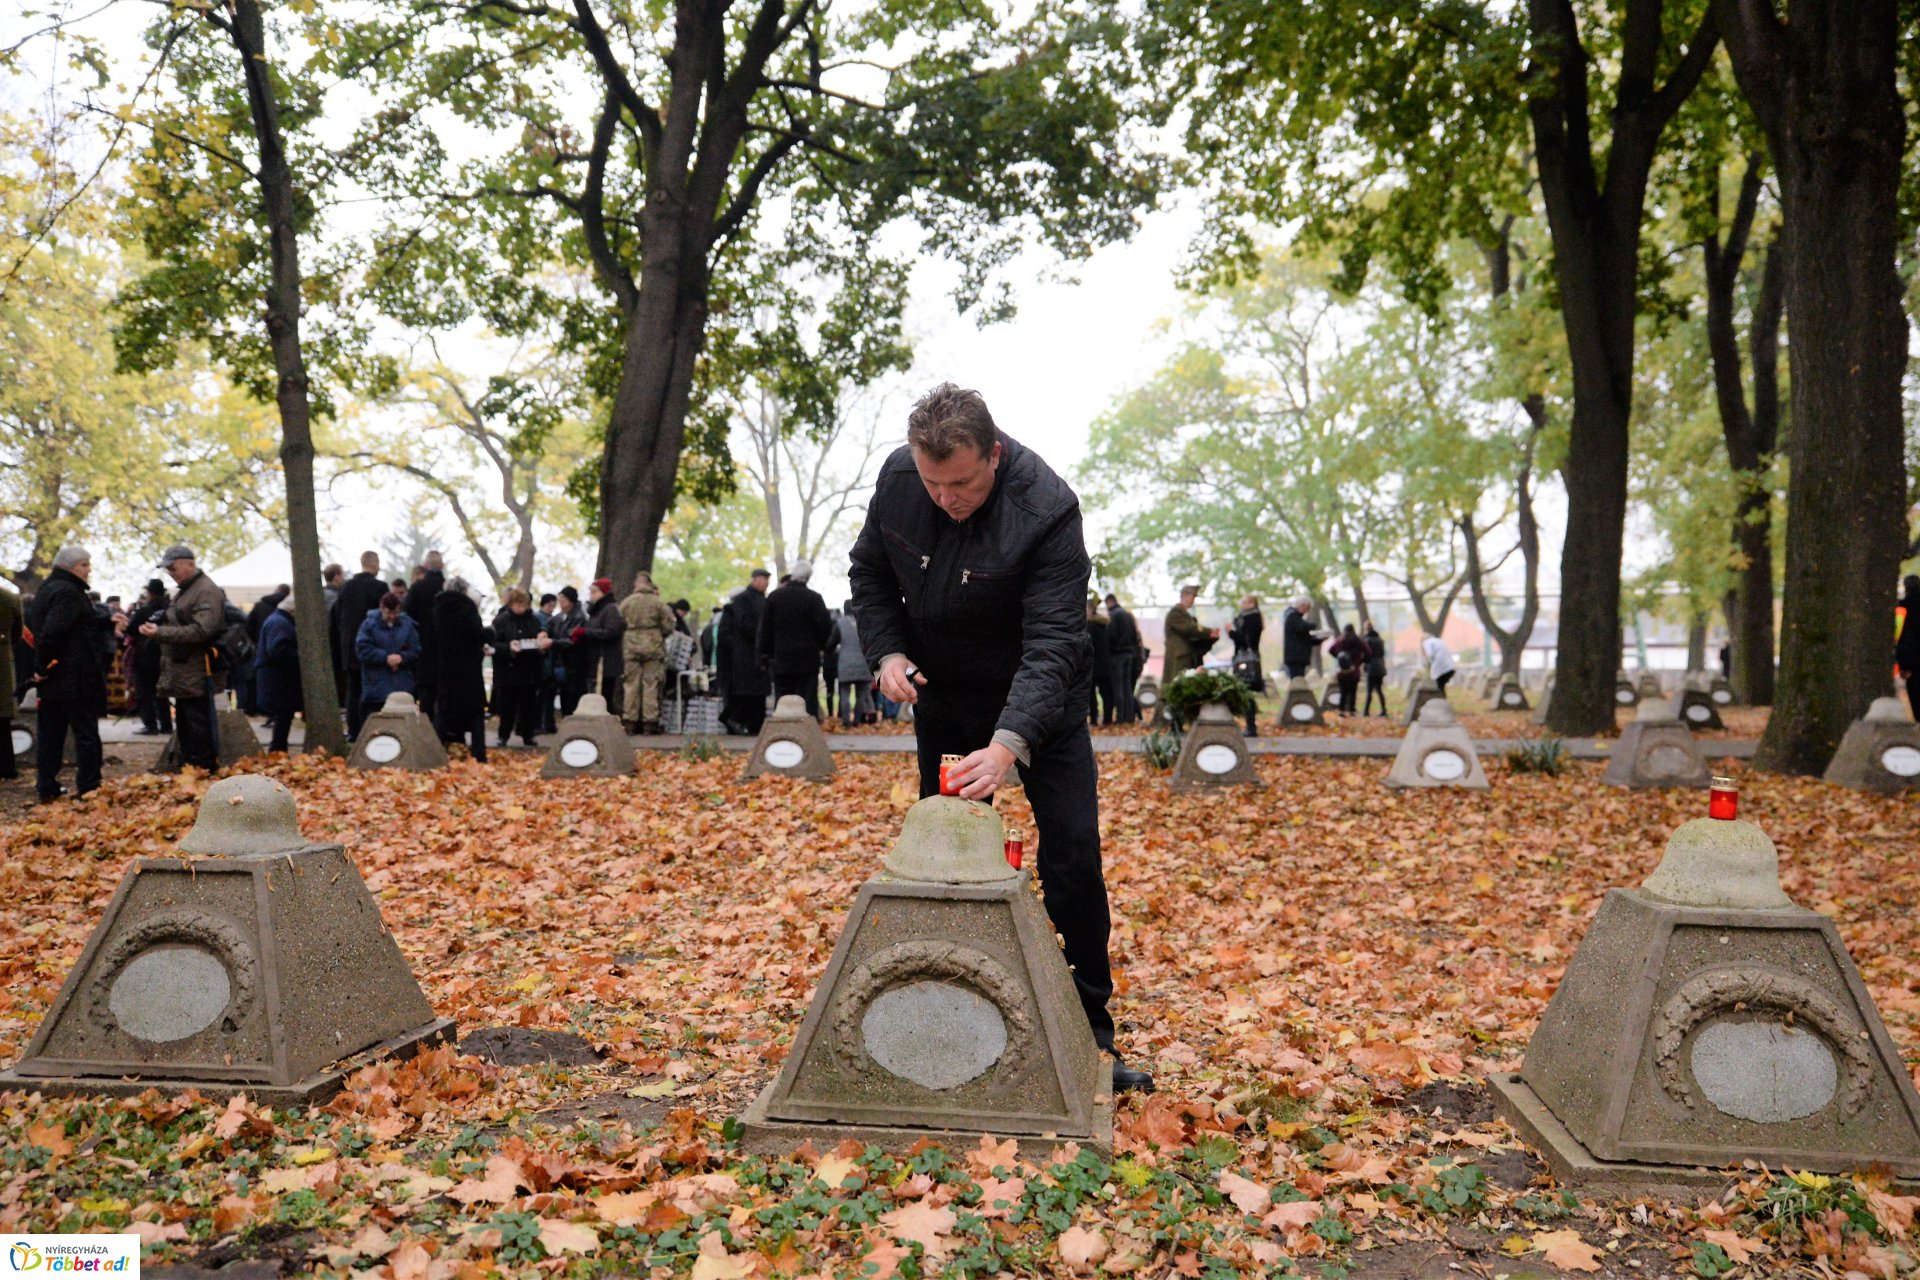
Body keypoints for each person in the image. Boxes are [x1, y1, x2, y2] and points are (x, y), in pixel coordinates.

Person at [849, 381, 1152, 1093]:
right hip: (946, 695)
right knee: (944, 850)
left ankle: (1089, 1037)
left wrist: (1010, 742)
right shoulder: (899, 480)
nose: (945, 500)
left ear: (994, 453)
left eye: (961, 484)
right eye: (933, 484)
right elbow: (869, 572)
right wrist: (887, 652)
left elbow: (1054, 642)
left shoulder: (1047, 508)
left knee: (1073, 854)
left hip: (1043, 699)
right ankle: (942, 1022)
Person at [25, 546, 116, 800]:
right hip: (75, 677)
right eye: (84, 565)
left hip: (56, 676)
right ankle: (89, 786)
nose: (89, 570)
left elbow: (75, 624)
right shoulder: (69, 591)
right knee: (85, 734)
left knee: (51, 735)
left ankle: (47, 785)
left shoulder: (48, 588)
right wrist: (42, 666)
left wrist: (105, 621)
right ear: (68, 567)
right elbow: (53, 632)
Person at [140, 545, 227, 771]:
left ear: (190, 564)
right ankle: (191, 768)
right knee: (187, 724)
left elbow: (202, 630)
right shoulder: (188, 589)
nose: (171, 573)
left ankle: (202, 770)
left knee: (197, 725)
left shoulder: (204, 590)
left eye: (173, 568)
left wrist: (160, 632)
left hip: (197, 671)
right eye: (168, 569)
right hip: (184, 671)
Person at [758, 559, 832, 719]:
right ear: (808, 577)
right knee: (808, 699)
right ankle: (808, 729)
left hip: (781, 658)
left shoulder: (775, 597)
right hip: (808, 659)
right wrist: (822, 647)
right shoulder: (814, 599)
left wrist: (764, 655)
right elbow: (825, 628)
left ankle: (783, 728)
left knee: (782, 698)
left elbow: (765, 629)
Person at [431, 577, 493, 760]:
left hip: (446, 667)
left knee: (444, 711)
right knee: (475, 712)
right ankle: (479, 754)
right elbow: (477, 636)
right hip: (468, 668)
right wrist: (491, 632)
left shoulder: (437, 610)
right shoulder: (468, 609)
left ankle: (434, 753)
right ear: (465, 591)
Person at [335, 552, 387, 738]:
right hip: (372, 646)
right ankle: (370, 729)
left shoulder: (346, 587)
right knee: (372, 690)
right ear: (374, 563)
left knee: (353, 689)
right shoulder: (380, 587)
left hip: (349, 646)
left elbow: (337, 615)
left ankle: (353, 730)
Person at [613, 572, 673, 734]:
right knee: (651, 684)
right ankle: (649, 722)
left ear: (637, 583)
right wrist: (659, 634)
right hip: (653, 645)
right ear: (649, 583)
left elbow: (619, 622)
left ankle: (630, 721)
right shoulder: (658, 602)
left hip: (631, 646)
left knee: (631, 684)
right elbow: (669, 625)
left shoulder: (627, 602)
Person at [490, 588, 552, 745]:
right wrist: (508, 647)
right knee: (507, 707)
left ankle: (527, 735)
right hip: (508, 670)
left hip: (529, 669)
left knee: (528, 706)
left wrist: (540, 645)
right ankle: (503, 735)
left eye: (524, 605)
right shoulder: (501, 620)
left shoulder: (533, 620)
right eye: (518, 605)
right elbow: (493, 644)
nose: (521, 608)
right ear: (511, 604)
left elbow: (539, 638)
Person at [356, 591, 422, 723]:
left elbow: (415, 649)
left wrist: (402, 658)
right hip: (376, 686)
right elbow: (362, 649)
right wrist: (385, 658)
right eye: (388, 613)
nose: (392, 616)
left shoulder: (408, 625)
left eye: (395, 613)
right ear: (382, 608)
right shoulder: (369, 625)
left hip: (402, 685)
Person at [718, 571, 772, 733]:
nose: (766, 583)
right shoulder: (744, 600)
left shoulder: (760, 600)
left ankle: (752, 724)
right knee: (748, 693)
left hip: (755, 654)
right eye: (764, 579)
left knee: (755, 694)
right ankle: (736, 719)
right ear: (755, 580)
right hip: (747, 655)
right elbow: (746, 625)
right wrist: (761, 637)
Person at [256, 589, 303, 752]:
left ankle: (278, 749)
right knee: (283, 714)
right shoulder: (281, 623)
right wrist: (301, 656)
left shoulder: (277, 620)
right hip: (278, 678)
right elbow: (278, 650)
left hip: (275, 676)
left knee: (283, 715)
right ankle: (278, 750)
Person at [402, 551, 445, 720]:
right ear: (442, 566)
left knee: (426, 693)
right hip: (446, 650)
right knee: (444, 695)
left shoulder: (417, 588)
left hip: (423, 648)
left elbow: (406, 617)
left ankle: (426, 728)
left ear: (425, 566)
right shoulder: (448, 588)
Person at [126, 580, 173, 735]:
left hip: (145, 655)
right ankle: (166, 725)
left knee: (144, 692)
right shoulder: (170, 608)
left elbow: (131, 629)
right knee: (162, 692)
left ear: (150, 593)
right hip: (166, 654)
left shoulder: (144, 611)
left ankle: (151, 725)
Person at [824, 601, 873, 727]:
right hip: (863, 664)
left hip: (845, 664)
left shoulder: (840, 623)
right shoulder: (864, 623)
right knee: (860, 695)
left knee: (844, 693)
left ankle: (846, 721)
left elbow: (831, 645)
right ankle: (857, 720)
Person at [582, 577, 626, 717]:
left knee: (605, 696)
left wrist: (587, 633)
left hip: (606, 660)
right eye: (590, 592)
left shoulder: (610, 609)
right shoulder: (596, 611)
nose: (591, 595)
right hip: (595, 658)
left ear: (603, 592)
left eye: (594, 592)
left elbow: (611, 632)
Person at [1228, 594, 1266, 734]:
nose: (1241, 604)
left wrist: (1231, 632)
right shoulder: (1248, 618)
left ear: (1251, 604)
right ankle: (1249, 724)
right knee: (1246, 691)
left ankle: (1251, 726)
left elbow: (1245, 640)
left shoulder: (1251, 619)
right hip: (1247, 659)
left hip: (1247, 661)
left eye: (1244, 602)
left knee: (1246, 690)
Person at [1161, 584, 1215, 679]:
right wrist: (1209, 632)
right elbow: (1190, 628)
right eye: (1192, 597)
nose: (1193, 601)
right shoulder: (1176, 613)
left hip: (1186, 657)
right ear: (1184, 595)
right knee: (1179, 682)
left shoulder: (1185, 615)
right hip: (1179, 658)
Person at [548, 586, 587, 717]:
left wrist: (553, 642)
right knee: (564, 695)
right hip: (561, 662)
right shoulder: (560, 617)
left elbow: (572, 641)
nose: (561, 605)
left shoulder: (579, 617)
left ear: (572, 601)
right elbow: (550, 625)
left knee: (572, 696)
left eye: (564, 601)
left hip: (574, 663)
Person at [1103, 594, 1140, 723]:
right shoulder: (1128, 615)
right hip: (1129, 653)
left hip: (1117, 654)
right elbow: (1135, 635)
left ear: (1109, 602)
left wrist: (1110, 651)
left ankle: (1120, 717)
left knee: (1118, 687)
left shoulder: (1113, 615)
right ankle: (1129, 716)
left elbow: (1111, 635)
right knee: (1127, 687)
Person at [1328, 623, 1369, 716]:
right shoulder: (1357, 641)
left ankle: (1341, 709)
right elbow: (1368, 652)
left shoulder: (1339, 640)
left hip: (1341, 671)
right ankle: (1351, 710)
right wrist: (1360, 661)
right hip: (1354, 671)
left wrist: (1339, 657)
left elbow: (1330, 650)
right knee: (1352, 691)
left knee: (1343, 691)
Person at [0, 582, 19, 781]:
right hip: (2, 659)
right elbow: (17, 632)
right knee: (2, 718)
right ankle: (6, 766)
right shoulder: (9, 597)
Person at [1086, 597, 1115, 725]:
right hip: (1105, 664)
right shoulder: (1105, 625)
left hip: (1092, 665)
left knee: (1091, 695)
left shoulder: (1088, 626)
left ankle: (1093, 719)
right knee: (1106, 693)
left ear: (1090, 610)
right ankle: (1107, 719)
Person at [1280, 595, 1320, 680]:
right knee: (1297, 680)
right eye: (1307, 608)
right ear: (1302, 605)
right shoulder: (1292, 617)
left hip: (1298, 657)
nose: (1308, 611)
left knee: (1298, 679)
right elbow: (1301, 628)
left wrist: (1318, 640)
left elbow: (1303, 637)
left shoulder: (1297, 618)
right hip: (1295, 658)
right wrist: (1312, 626)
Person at [1897, 574, 1920, 721]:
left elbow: (1904, 638)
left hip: (1913, 660)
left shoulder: (1903, 607)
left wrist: (1903, 665)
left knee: (1916, 694)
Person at [1362, 622, 1389, 716]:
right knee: (1379, 690)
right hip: (1380, 667)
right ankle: (1384, 710)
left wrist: (1364, 664)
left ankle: (1366, 711)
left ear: (1366, 629)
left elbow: (1365, 655)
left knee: (1369, 691)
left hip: (1371, 667)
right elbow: (1382, 653)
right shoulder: (1380, 640)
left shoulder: (1366, 640)